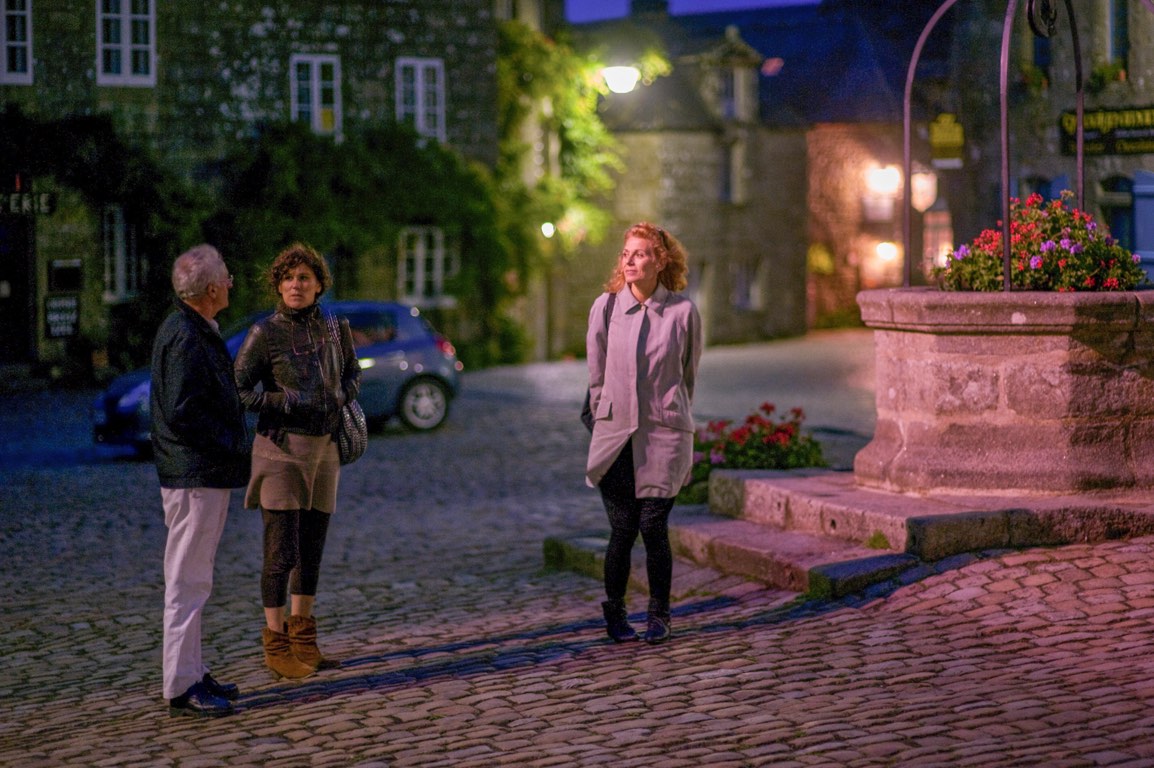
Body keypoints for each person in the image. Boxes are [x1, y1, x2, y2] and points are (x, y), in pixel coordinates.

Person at [234, 242, 359, 679]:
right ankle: (276, 644)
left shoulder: (335, 328)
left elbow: (351, 374)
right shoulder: (264, 333)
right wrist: (283, 400)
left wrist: (340, 393)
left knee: (311, 550)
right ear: (278, 285)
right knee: (281, 550)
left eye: (304, 278)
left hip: (325, 450)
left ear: (319, 284)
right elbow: (239, 389)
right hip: (281, 451)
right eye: (288, 278)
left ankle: (304, 639)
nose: (295, 285)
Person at [585, 222, 702, 645]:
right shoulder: (605, 307)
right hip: (615, 434)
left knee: (653, 526)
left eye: (639, 253)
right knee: (622, 529)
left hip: (664, 433)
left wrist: (671, 412)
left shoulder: (683, 313)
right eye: (625, 254)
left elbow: (689, 376)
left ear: (661, 259)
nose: (629, 260)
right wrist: (604, 416)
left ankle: (659, 614)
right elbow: (595, 376)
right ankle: (614, 612)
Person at [151, 244, 250, 717]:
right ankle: (181, 685)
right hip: (195, 475)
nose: (231, 282)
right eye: (226, 276)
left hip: (198, 472)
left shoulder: (191, 328)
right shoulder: (186, 336)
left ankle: (192, 670)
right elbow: (184, 411)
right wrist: (233, 446)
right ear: (211, 290)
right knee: (188, 581)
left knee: (195, 579)